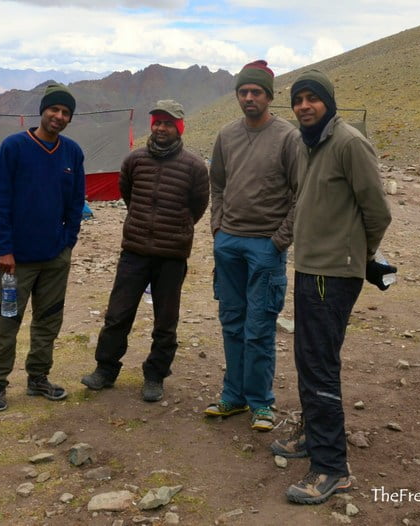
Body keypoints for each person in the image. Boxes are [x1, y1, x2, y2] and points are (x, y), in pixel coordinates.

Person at [271, 69, 393, 505]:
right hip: (310, 268)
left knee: (319, 363)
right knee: (309, 358)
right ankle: (312, 433)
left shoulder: (348, 143)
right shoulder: (309, 143)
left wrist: (357, 255)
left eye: (312, 99)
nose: (304, 106)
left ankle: (331, 467)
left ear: (329, 102)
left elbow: (377, 212)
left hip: (333, 274)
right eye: (298, 99)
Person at [80, 100, 209, 402]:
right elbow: (128, 193)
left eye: (168, 123)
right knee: (118, 314)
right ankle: (105, 369)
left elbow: (198, 206)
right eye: (157, 122)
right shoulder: (134, 160)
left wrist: (176, 228)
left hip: (172, 255)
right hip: (135, 251)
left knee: (166, 321)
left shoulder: (194, 166)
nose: (162, 128)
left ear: (179, 128)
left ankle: (155, 375)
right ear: (151, 125)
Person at [206, 60, 300, 431]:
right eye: (243, 92)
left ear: (268, 97)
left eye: (256, 92)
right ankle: (233, 396)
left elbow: (301, 193)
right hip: (228, 243)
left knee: (259, 326)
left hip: (265, 246)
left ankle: (261, 403)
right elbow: (217, 184)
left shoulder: (287, 137)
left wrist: (279, 241)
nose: (249, 98)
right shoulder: (226, 135)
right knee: (231, 321)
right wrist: (217, 227)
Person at [0, 83, 86, 413]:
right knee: (6, 320)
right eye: (54, 109)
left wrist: (68, 243)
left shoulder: (72, 153)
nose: (58, 116)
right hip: (15, 262)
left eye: (65, 112)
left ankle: (38, 377)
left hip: (55, 258)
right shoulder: (14, 146)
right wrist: (4, 250)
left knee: (48, 321)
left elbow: (76, 201)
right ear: (42, 111)